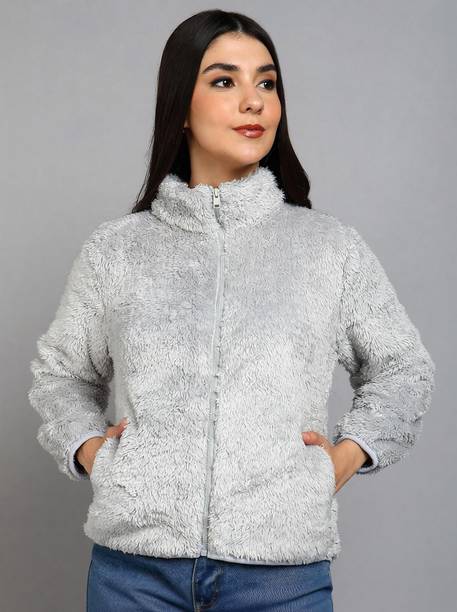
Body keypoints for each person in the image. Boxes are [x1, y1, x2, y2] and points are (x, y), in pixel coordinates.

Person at [28, 9, 436, 612]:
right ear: (180, 104)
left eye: (266, 82)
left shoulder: (328, 248)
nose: (254, 101)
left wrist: (340, 462)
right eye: (224, 80)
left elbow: (403, 369)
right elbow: (61, 374)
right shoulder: (116, 251)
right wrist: (94, 451)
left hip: (281, 579)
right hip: (133, 575)